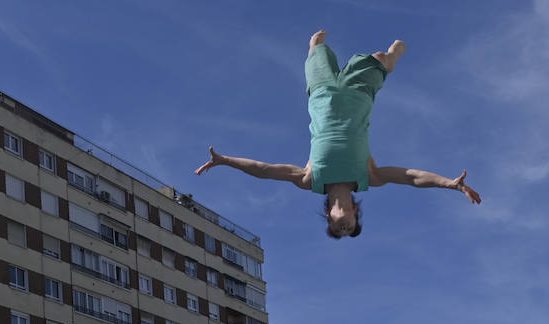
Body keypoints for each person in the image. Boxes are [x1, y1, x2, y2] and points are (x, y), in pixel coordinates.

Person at [194, 31, 480, 239]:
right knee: (380, 58)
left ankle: (317, 49)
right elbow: (411, 177)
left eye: (337, 229)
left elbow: (265, 170)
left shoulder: (310, 179)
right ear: (355, 211)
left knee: (317, 45)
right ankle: (391, 61)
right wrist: (450, 184)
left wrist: (225, 160)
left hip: (321, 94)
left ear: (329, 216)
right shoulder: (370, 177)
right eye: (350, 228)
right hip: (358, 93)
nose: (344, 229)